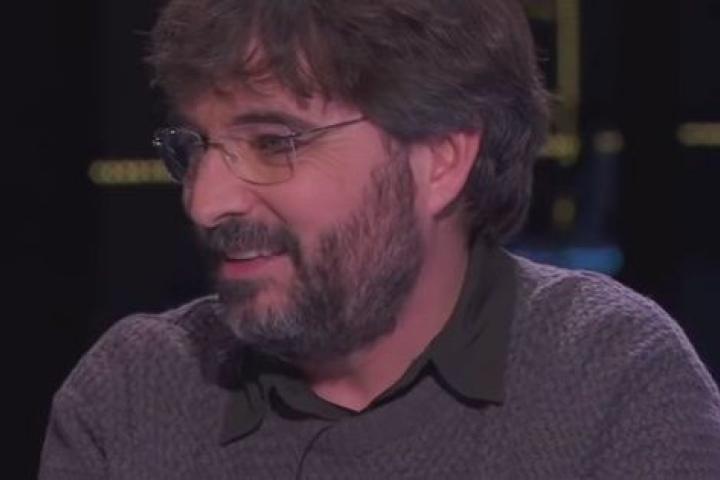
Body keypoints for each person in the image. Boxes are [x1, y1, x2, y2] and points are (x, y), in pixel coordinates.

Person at [39, 0, 720, 478]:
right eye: (196, 146)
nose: (205, 201)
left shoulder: (610, 382)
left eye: (273, 143)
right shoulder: (134, 394)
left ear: (441, 160)